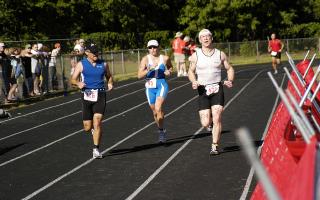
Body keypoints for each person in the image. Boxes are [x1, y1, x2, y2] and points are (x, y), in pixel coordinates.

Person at [188, 29, 234, 155]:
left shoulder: (220, 54)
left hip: (217, 88)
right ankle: (211, 123)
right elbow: (190, 71)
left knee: (217, 117)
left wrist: (230, 79)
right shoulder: (195, 55)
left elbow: (229, 68)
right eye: (203, 37)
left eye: (208, 36)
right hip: (203, 90)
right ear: (200, 40)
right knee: (205, 122)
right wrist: (194, 81)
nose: (206, 38)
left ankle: (214, 146)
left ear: (212, 38)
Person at [71, 43, 113, 159]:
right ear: (87, 53)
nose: (96, 54)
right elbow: (73, 79)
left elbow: (109, 76)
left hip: (100, 94)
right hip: (87, 95)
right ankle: (93, 130)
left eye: (97, 52)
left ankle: (96, 148)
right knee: (87, 127)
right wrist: (78, 83)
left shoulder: (103, 64)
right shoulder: (81, 64)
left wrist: (110, 83)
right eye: (93, 52)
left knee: (98, 121)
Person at [138, 40, 173, 143]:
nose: (152, 49)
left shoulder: (165, 58)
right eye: (150, 47)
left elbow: (170, 67)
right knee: (155, 112)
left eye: (154, 47)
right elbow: (139, 75)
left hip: (161, 85)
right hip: (150, 87)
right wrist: (148, 70)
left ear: (159, 47)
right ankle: (161, 129)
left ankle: (161, 132)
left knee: (158, 108)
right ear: (148, 48)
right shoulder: (145, 59)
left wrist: (168, 71)